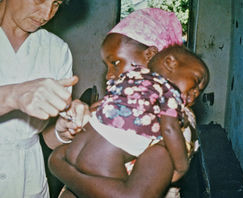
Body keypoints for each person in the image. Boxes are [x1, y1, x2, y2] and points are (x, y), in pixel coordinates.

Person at [49, 44, 210, 198]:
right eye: (196, 81)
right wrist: (181, 167)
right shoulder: (169, 93)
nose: (196, 93)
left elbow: (58, 158)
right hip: (104, 160)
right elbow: (169, 129)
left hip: (77, 150)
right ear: (170, 62)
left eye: (200, 91)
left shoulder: (133, 77)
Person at [0, 0, 89, 197]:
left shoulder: (56, 50)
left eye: (56, 4)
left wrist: (62, 131)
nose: (47, 13)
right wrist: (13, 96)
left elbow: (44, 138)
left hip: (27, 183)